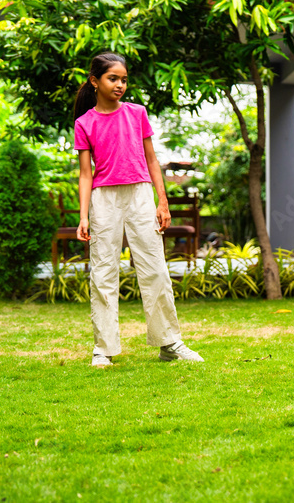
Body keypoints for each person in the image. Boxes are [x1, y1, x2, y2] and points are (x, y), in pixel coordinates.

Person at [74, 52, 202, 367]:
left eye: (124, 79)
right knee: (103, 271)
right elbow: (85, 174)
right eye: (112, 78)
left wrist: (162, 200)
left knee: (155, 268)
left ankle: (169, 343)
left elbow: (152, 159)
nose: (120, 85)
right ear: (95, 81)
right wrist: (83, 215)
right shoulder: (84, 123)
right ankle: (103, 349)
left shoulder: (137, 113)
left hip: (141, 194)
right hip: (104, 199)